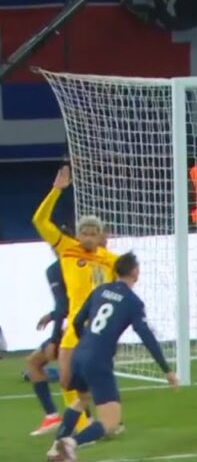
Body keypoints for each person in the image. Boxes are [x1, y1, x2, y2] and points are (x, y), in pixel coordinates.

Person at [45, 253, 179, 462]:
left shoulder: (100, 290)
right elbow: (147, 337)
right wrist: (167, 370)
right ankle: (70, 444)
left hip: (80, 353)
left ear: (115, 271)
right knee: (111, 422)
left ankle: (56, 447)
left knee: (82, 399)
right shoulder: (133, 302)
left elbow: (78, 320)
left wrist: (87, 342)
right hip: (98, 360)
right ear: (135, 272)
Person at [32, 166, 119, 433]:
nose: (89, 238)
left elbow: (123, 290)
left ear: (102, 236)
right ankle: (88, 422)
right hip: (74, 327)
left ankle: (107, 422)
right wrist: (56, 191)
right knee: (66, 378)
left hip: (99, 329)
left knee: (97, 377)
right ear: (78, 235)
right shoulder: (68, 249)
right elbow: (40, 221)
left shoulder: (111, 260)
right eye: (85, 233)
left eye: (94, 234)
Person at [27, 251, 69, 436]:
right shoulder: (88, 263)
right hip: (90, 326)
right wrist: (53, 316)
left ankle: (57, 417)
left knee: (66, 374)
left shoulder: (55, 269)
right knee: (35, 362)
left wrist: (54, 339)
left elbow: (63, 305)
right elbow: (70, 303)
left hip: (76, 329)